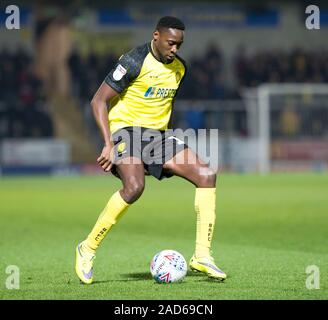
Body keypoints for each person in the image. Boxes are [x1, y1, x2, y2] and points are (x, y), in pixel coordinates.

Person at [75, 16, 227, 284]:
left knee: (206, 174)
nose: (175, 49)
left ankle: (202, 256)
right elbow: (98, 101)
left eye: (179, 45)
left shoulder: (180, 68)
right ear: (156, 36)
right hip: (126, 132)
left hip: (156, 137)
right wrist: (108, 143)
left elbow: (163, 105)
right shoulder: (133, 61)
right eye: (171, 43)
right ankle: (87, 248)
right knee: (134, 187)